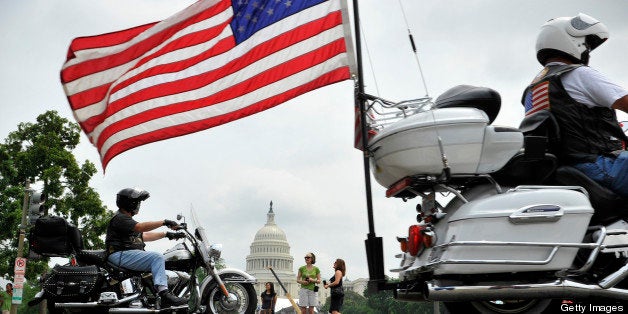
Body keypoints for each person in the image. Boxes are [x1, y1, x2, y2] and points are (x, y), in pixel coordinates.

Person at [523, 13, 628, 198]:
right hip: (596, 165)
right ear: (574, 42)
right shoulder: (578, 74)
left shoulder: (533, 88)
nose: (588, 51)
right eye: (587, 45)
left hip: (566, 167)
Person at [105, 188, 188, 307]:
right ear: (130, 203)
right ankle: (164, 294)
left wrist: (167, 234)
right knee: (156, 257)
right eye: (137, 202)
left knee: (155, 259)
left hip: (122, 255)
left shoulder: (125, 220)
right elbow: (140, 228)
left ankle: (151, 295)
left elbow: (144, 236)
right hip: (119, 254)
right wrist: (164, 222)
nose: (138, 205)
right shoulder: (120, 218)